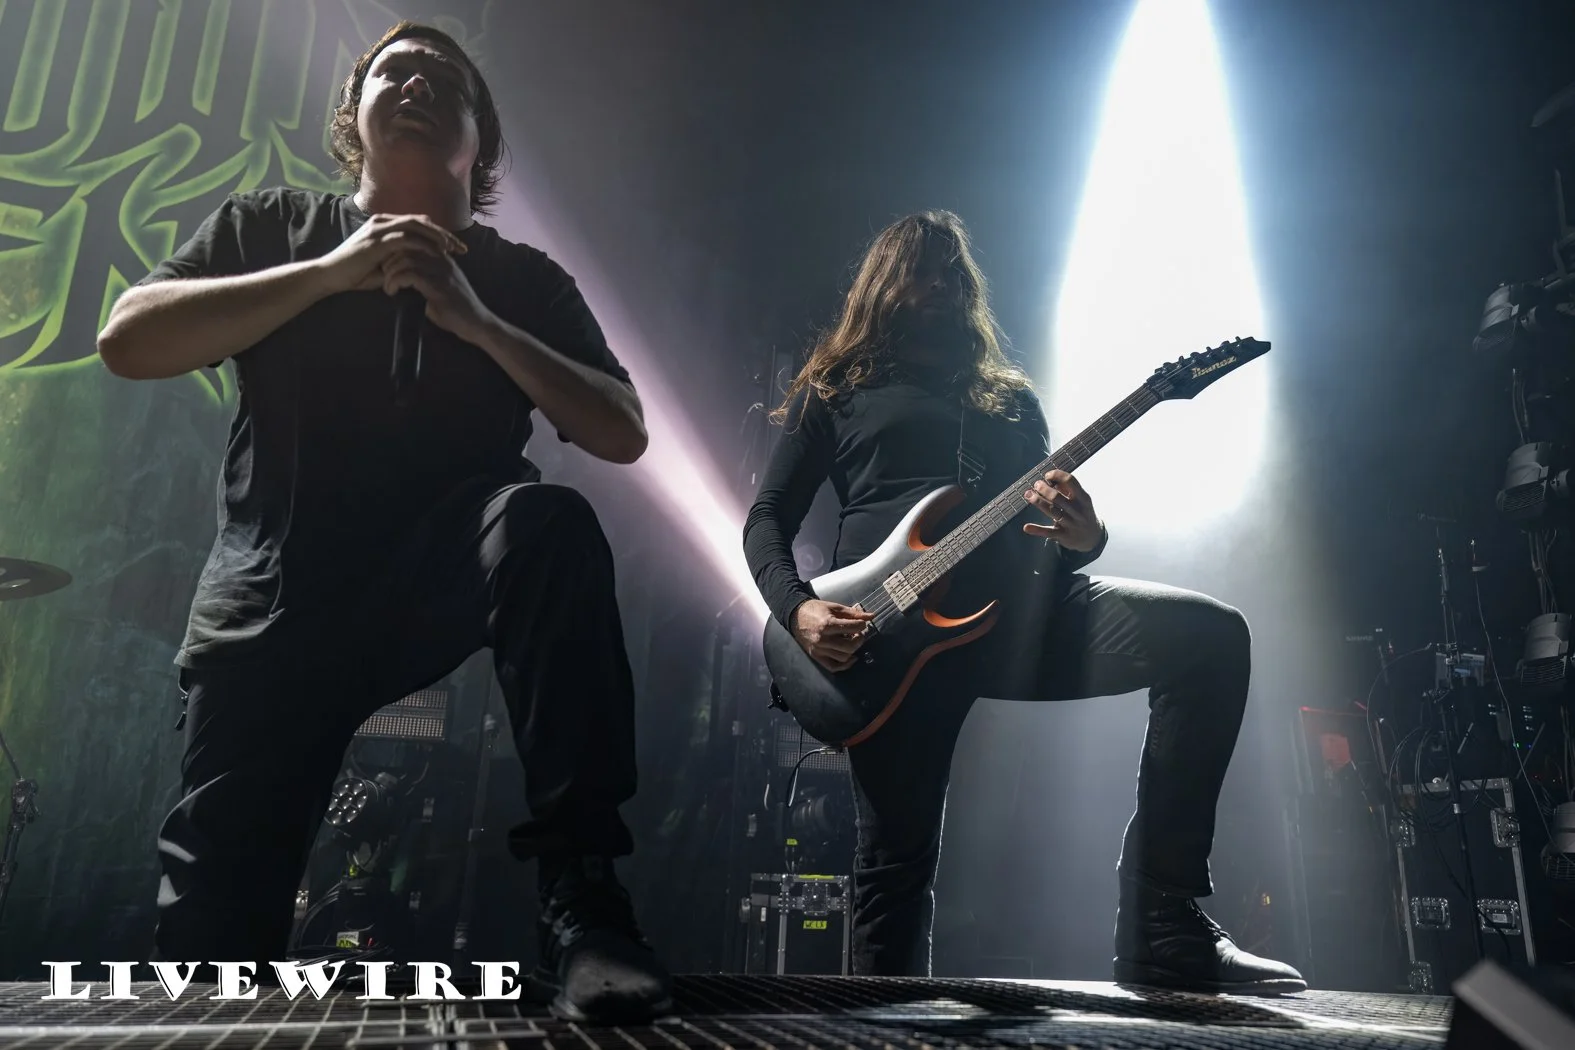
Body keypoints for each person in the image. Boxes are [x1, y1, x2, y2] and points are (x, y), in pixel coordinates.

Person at [96, 21, 671, 1022]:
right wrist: (331, 272)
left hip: (441, 575)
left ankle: (585, 904)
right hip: (273, 602)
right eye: (390, 73)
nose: (412, 85)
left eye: (442, 80)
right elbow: (128, 339)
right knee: (208, 962)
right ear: (352, 116)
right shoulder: (272, 226)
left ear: (479, 143)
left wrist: (477, 321)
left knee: (545, 522)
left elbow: (620, 430)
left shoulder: (522, 279)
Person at [742, 210, 1306, 993]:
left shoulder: (1005, 400)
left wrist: (1084, 536)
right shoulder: (835, 390)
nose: (938, 285)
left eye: (951, 273)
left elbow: (1043, 530)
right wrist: (798, 611)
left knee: (1209, 637)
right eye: (919, 270)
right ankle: (887, 1021)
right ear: (881, 284)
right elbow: (767, 518)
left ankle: (1162, 924)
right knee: (894, 867)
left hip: (1018, 621)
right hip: (887, 640)